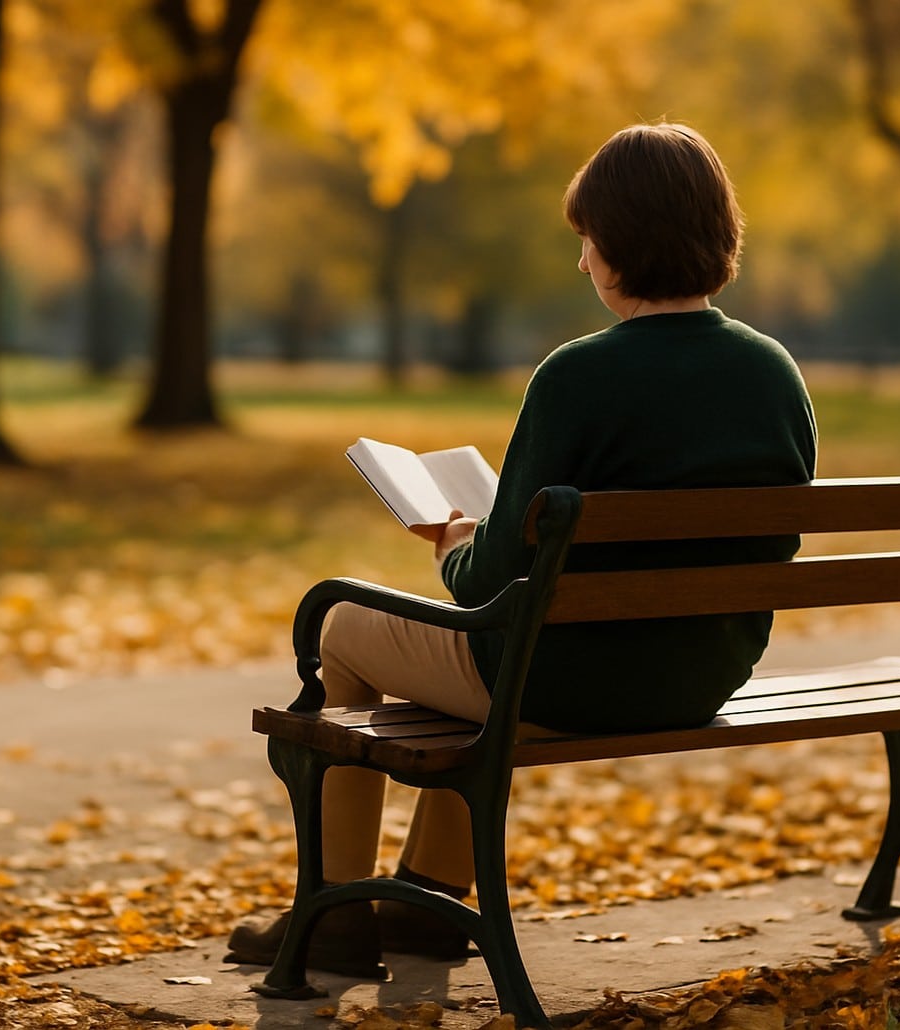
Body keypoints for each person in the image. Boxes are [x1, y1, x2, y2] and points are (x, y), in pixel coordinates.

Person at [227, 121, 817, 977]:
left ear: (623, 244)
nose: (583, 263)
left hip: (562, 682)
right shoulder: (775, 373)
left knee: (342, 624)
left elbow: (492, 582)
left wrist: (452, 544)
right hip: (700, 675)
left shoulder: (577, 376)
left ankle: (335, 912)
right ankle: (428, 896)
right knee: (483, 652)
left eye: (589, 240)